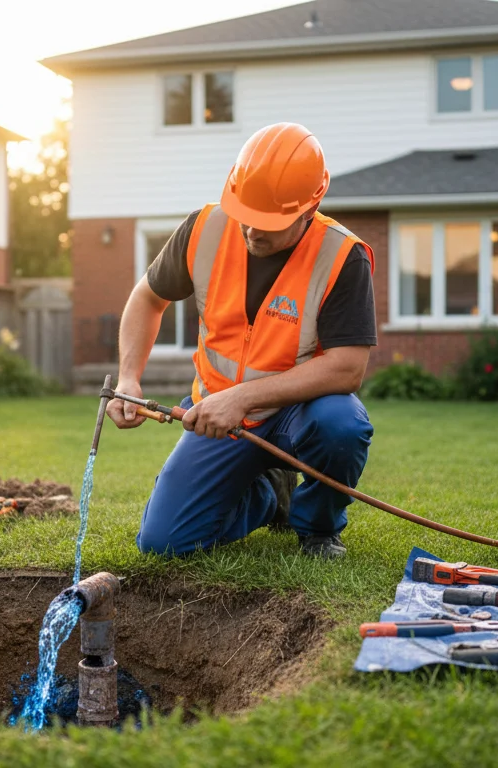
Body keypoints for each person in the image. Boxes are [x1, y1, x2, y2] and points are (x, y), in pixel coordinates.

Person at [106, 122, 377, 559]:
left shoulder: (342, 256)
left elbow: (348, 367)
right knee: (164, 543)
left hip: (299, 413)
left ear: (309, 209)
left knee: (342, 425)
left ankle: (318, 528)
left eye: (268, 223)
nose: (251, 232)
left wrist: (245, 398)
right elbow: (147, 298)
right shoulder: (204, 229)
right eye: (245, 216)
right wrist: (129, 379)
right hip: (218, 412)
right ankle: (270, 495)